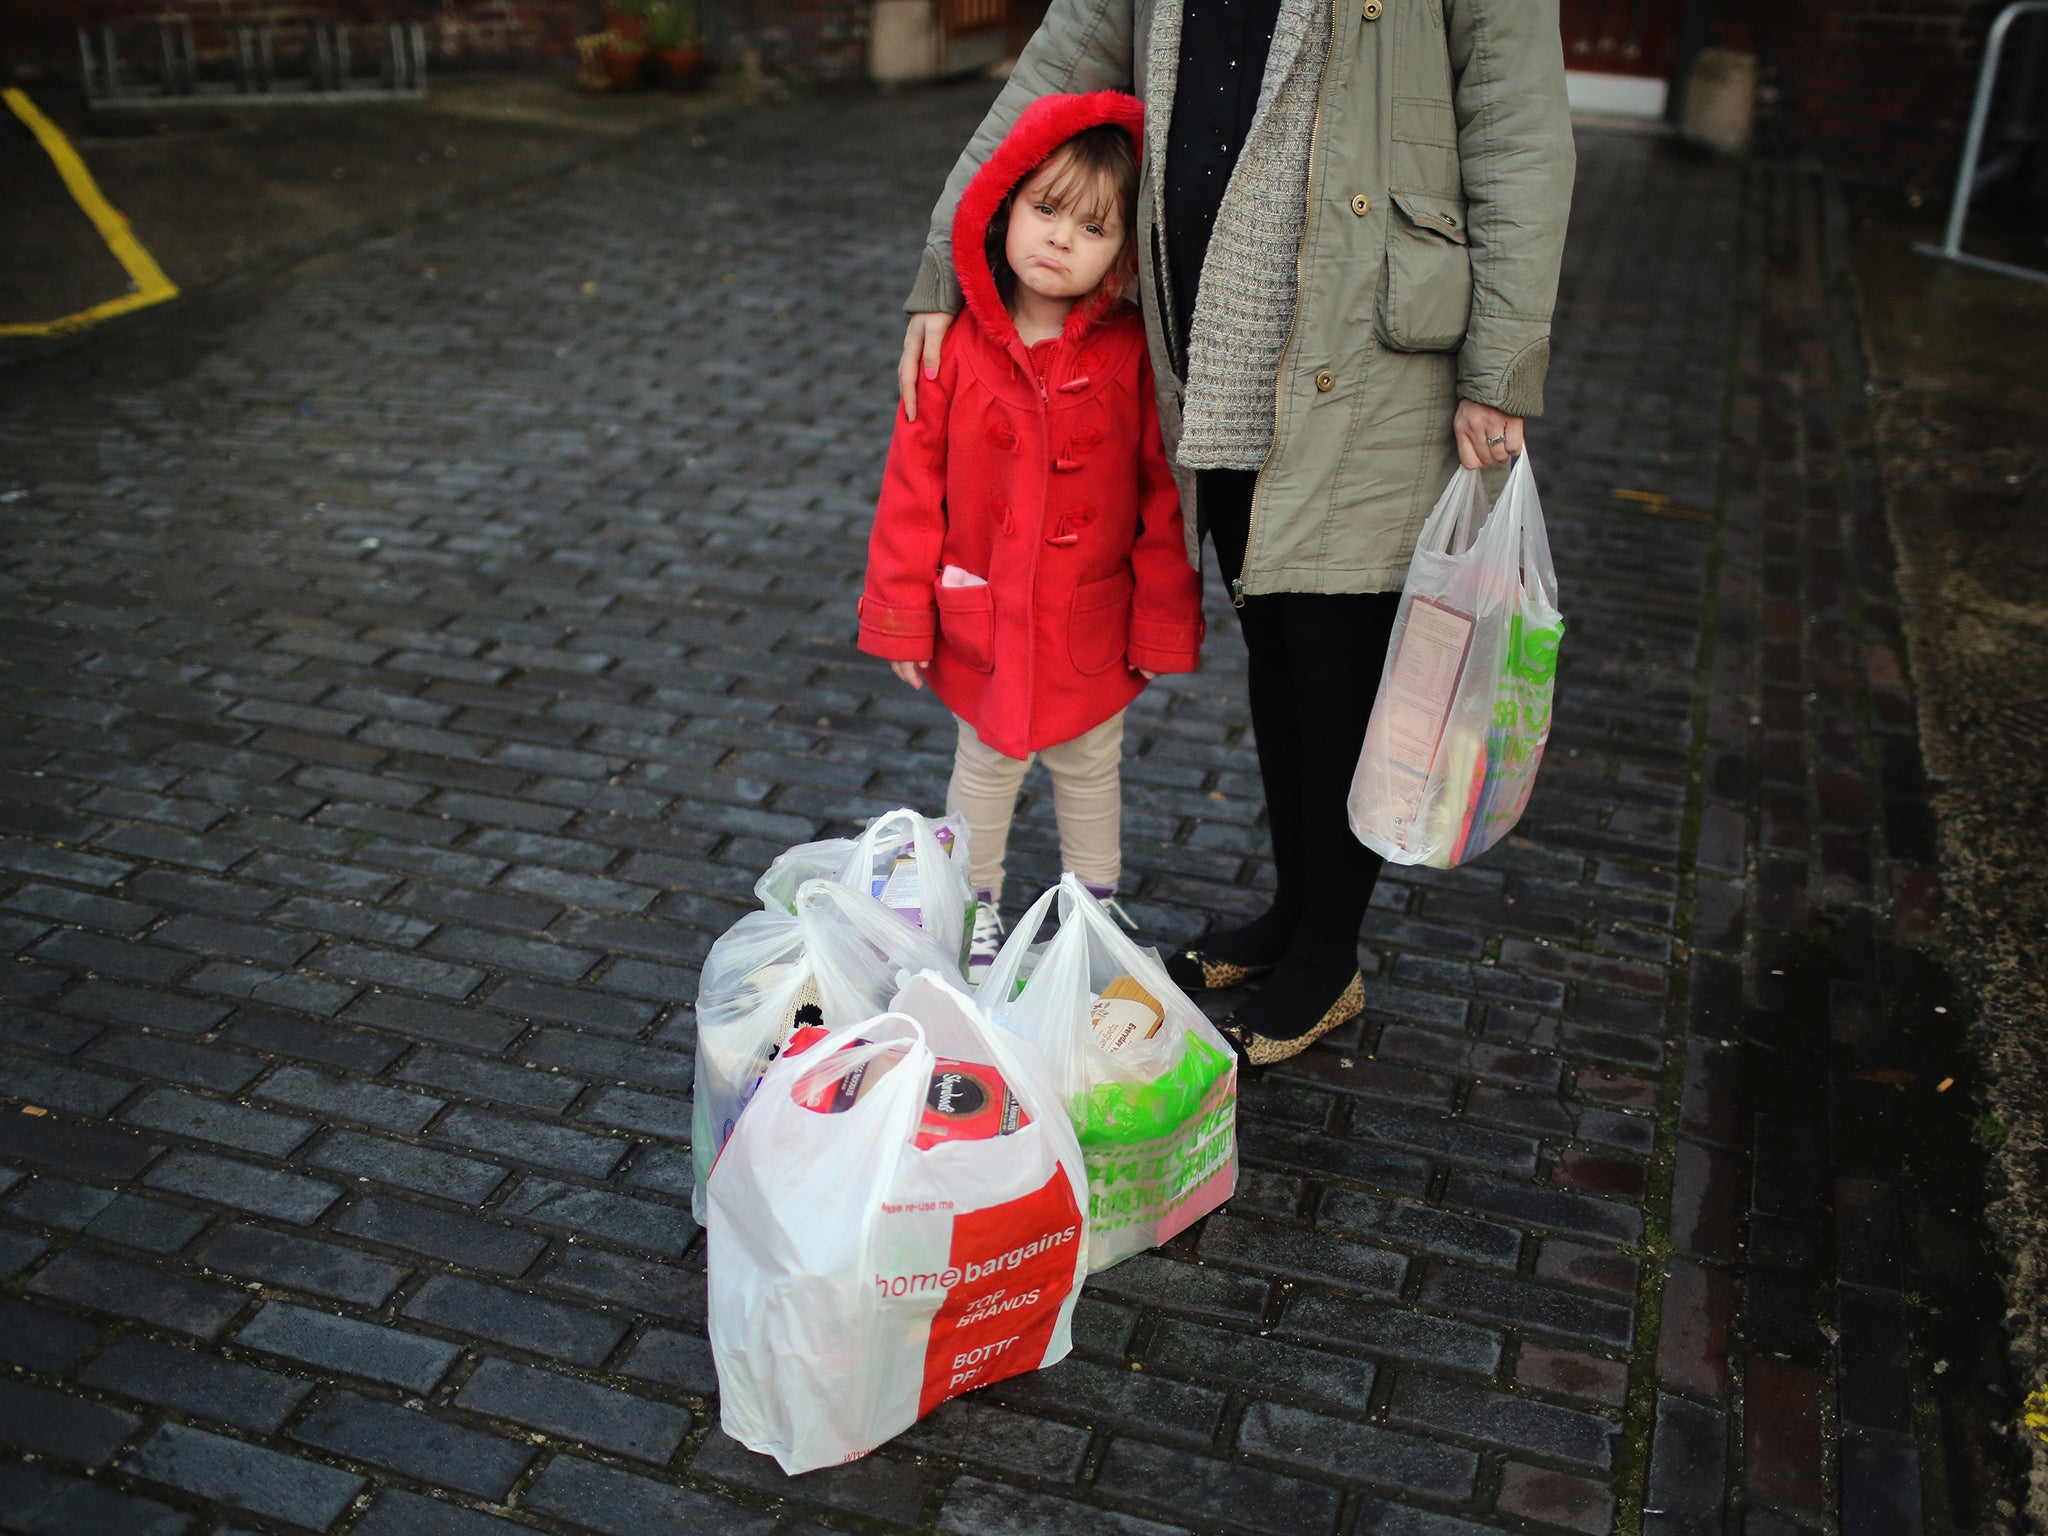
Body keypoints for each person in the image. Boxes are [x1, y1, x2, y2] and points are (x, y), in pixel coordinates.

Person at [897, 0, 1573, 1063]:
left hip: (1371, 344)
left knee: (1334, 654)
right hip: (1211, 347)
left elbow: (1513, 121)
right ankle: (1294, 914)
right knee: (1274, 635)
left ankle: (1326, 953)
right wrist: (948, 261)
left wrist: (1499, 364)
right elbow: (1055, 67)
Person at [859, 91, 1205, 983]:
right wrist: (902, 609)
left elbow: (1159, 497)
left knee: (1091, 760)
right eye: (1044, 210)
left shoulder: (1130, 353)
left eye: (1090, 229)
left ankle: (1093, 906)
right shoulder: (956, 345)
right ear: (1003, 206)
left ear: (1121, 254)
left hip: (1088, 614)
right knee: (989, 758)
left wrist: (1163, 616)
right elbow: (912, 488)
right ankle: (971, 907)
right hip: (987, 608)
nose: (1058, 239)